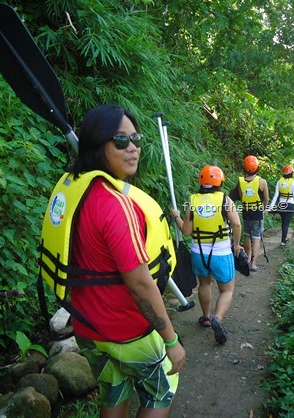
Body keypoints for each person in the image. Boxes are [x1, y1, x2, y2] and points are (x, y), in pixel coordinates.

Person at [41, 104, 185, 418]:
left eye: (136, 139)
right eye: (120, 141)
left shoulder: (77, 189)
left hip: (88, 327)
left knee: (114, 391)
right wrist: (171, 339)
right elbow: (140, 283)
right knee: (161, 391)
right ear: (97, 144)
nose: (132, 148)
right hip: (126, 331)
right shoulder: (116, 205)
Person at [171, 165, 242, 345]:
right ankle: (217, 318)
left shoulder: (193, 201)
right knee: (227, 289)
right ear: (220, 181)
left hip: (199, 252)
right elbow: (236, 224)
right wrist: (236, 244)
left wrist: (176, 217)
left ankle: (205, 317)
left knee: (204, 283)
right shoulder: (225, 200)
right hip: (221, 252)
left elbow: (186, 231)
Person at [229, 155, 269, 272]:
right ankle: (253, 264)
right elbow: (266, 198)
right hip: (257, 212)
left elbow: (241, 197)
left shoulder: (241, 181)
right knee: (256, 237)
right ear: (257, 168)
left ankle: (247, 260)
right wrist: (264, 209)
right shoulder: (262, 182)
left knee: (247, 234)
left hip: (246, 211)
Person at [270, 165, 294, 246]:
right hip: (290, 205)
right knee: (286, 223)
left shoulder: (280, 181)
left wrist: (271, 206)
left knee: (283, 223)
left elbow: (276, 195)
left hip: (281, 205)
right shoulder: (293, 182)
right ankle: (283, 241)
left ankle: (284, 239)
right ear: (291, 173)